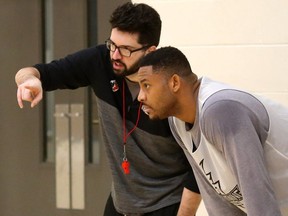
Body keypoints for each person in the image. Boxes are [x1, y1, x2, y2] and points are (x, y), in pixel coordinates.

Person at [15, 3, 201, 216]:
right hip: (120, 203)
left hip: (165, 204)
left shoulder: (171, 90)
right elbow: (36, 72)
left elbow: (197, 165)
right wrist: (29, 80)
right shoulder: (101, 60)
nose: (115, 55)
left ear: (150, 51)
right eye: (112, 44)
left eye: (126, 50)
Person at [137, 46, 288, 216]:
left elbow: (260, 199)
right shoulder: (177, 122)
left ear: (175, 83)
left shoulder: (220, 111)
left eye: (147, 85)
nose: (140, 96)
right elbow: (217, 198)